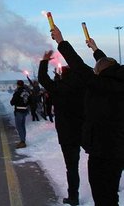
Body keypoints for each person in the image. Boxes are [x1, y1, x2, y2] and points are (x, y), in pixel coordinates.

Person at [51, 25, 124, 206]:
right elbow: (109, 66)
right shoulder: (118, 80)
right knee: (111, 191)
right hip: (119, 149)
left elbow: (77, 64)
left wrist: (60, 40)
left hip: (103, 151)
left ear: (99, 73)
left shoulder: (100, 85)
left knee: (103, 196)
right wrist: (95, 49)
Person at [38, 50, 86, 205]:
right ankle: (114, 185)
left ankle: (73, 197)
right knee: (101, 160)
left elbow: (42, 78)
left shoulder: (58, 88)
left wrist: (44, 61)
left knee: (72, 168)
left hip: (67, 134)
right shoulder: (84, 87)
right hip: (86, 130)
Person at [10, 80, 30, 149]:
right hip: (25, 111)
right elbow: (29, 101)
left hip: (19, 111)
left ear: (18, 85)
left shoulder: (17, 92)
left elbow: (12, 102)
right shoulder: (27, 92)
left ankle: (22, 141)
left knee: (19, 127)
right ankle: (23, 140)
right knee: (23, 126)